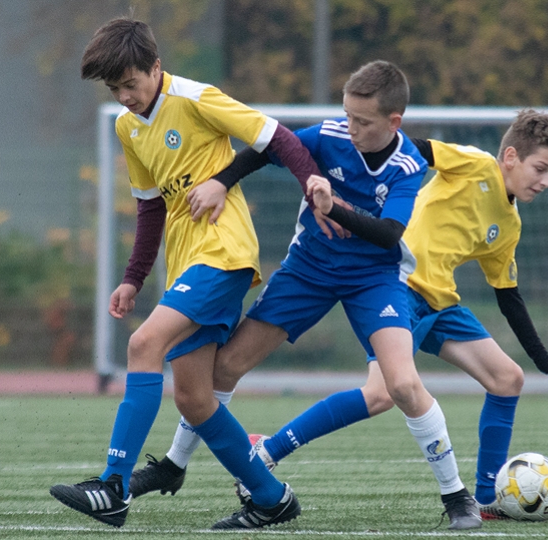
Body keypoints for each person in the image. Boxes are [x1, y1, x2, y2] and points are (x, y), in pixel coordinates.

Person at [131, 109, 548, 523]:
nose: (544, 182)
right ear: (510, 156)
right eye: (540, 169)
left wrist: (546, 361)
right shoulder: (472, 163)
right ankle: (267, 451)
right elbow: (409, 150)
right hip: (398, 288)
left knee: (508, 379)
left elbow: (508, 295)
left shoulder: (509, 225)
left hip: (440, 302)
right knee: (382, 394)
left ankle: (488, 497)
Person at [128, 59, 482, 529]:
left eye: (363, 121)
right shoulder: (331, 135)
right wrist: (220, 181)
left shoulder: (408, 165)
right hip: (308, 272)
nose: (350, 128)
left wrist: (334, 205)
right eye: (347, 115)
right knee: (226, 366)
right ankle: (174, 465)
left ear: (394, 122)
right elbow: (267, 148)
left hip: (374, 279)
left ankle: (458, 498)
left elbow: (390, 234)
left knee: (401, 384)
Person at [49, 17, 320, 529]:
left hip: (224, 253)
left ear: (156, 67)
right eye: (114, 88)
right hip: (187, 264)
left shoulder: (197, 98)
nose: (124, 96)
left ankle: (113, 486)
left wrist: (313, 184)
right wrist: (132, 277)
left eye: (131, 83)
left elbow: (276, 138)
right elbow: (151, 208)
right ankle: (271, 498)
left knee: (141, 346)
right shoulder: (126, 127)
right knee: (194, 397)